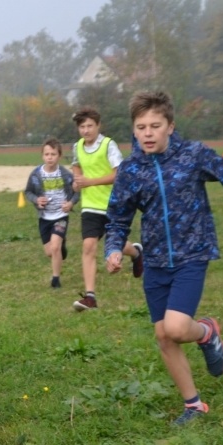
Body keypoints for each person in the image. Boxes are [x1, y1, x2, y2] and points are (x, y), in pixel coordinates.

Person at [105, 90, 223, 426]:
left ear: (170, 126)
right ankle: (194, 405)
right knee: (164, 336)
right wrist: (113, 248)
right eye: (141, 127)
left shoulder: (193, 155)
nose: (148, 133)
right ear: (134, 129)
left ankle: (206, 332)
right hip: (155, 261)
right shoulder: (130, 170)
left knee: (177, 327)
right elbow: (118, 217)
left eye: (155, 126)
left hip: (192, 254)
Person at [71, 107, 143, 311]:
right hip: (90, 206)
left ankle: (136, 252)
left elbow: (119, 174)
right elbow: (76, 167)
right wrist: (76, 182)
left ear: (98, 126)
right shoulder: (77, 147)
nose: (86, 130)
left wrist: (91, 181)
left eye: (90, 126)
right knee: (88, 246)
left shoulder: (108, 145)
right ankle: (90, 297)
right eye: (82, 127)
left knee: (116, 244)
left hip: (112, 204)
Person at [24, 138, 79, 289]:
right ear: (42, 156)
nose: (50, 157)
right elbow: (28, 192)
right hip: (44, 218)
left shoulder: (66, 175)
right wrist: (36, 200)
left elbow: (77, 192)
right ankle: (62, 246)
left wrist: (70, 203)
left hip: (60, 216)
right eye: (47, 154)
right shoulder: (36, 174)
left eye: (53, 154)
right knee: (50, 252)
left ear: (59, 156)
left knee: (55, 247)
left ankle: (55, 279)